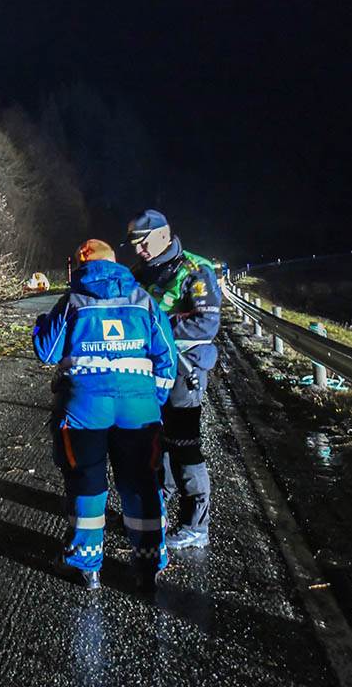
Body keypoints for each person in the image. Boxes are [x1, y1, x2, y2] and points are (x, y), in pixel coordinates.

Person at [34, 239, 177, 590]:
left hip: (84, 409)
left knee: (87, 482)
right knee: (142, 481)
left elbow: (47, 351)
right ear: (117, 264)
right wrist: (151, 400)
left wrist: (41, 323)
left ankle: (86, 564)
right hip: (138, 409)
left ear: (80, 266)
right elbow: (168, 359)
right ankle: (148, 563)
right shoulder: (144, 301)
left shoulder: (73, 301)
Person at [126, 209, 222, 549]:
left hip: (186, 369)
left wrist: (158, 328)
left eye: (143, 243)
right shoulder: (140, 272)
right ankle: (159, 507)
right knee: (156, 440)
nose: (139, 250)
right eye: (134, 244)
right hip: (151, 369)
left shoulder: (195, 271)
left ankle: (197, 524)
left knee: (184, 444)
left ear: (164, 235)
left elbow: (206, 324)